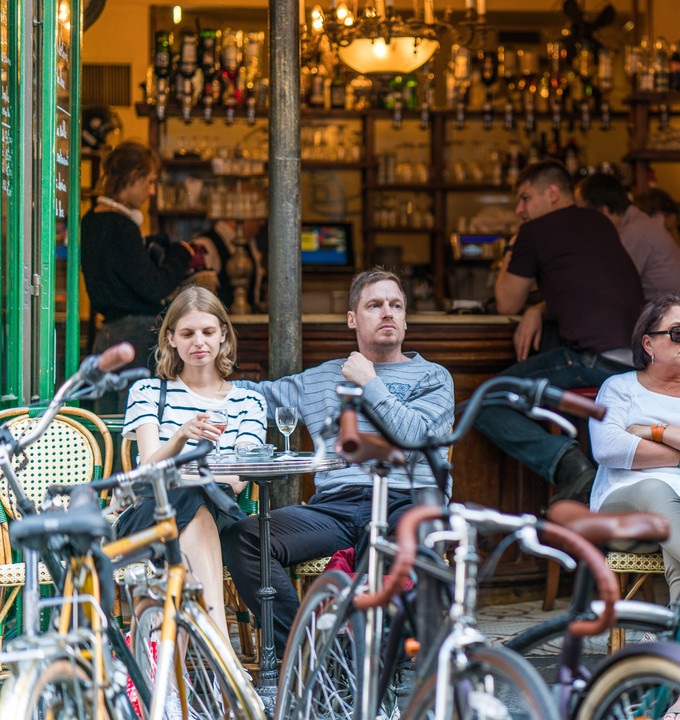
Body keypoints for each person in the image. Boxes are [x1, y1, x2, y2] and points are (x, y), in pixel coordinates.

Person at [221, 268, 455, 655]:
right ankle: (306, 653)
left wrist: (370, 382)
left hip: (405, 502)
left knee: (393, 550)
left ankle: (376, 664)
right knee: (244, 538)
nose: (388, 313)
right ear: (353, 319)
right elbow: (251, 396)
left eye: (396, 305)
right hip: (335, 507)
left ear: (406, 318)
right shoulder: (324, 376)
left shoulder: (432, 377)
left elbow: (414, 440)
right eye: (375, 305)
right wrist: (184, 383)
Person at [474, 160, 645, 501]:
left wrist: (512, 246)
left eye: (525, 198)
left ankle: (571, 467)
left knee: (486, 400)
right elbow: (587, 288)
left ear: (552, 194)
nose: (520, 209)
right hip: (638, 358)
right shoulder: (599, 221)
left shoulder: (535, 231)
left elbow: (506, 303)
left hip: (594, 359)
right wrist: (538, 309)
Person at [120, 286, 267, 636]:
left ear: (223, 336)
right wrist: (182, 436)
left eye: (208, 332)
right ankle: (222, 654)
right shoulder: (149, 392)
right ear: (170, 338)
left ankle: (168, 684)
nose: (198, 342)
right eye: (187, 333)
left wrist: (180, 468)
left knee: (194, 504)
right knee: (191, 500)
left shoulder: (249, 403)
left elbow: (236, 481)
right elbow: (148, 474)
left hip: (215, 515)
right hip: (150, 517)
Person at [589, 295, 680, 603]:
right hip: (628, 515)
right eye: (678, 332)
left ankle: (678, 635)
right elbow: (608, 447)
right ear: (648, 344)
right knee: (656, 489)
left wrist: (654, 431)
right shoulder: (619, 388)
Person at [81, 141, 196, 413]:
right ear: (133, 177)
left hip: (106, 336)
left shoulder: (91, 220)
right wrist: (181, 254)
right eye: (150, 182)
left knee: (108, 419)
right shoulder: (121, 225)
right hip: (134, 338)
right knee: (135, 422)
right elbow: (153, 287)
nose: (151, 191)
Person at [574, 172, 680, 306]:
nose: (580, 222)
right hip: (677, 318)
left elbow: (606, 288)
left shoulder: (636, 232)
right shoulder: (639, 223)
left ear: (603, 210)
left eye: (582, 214)